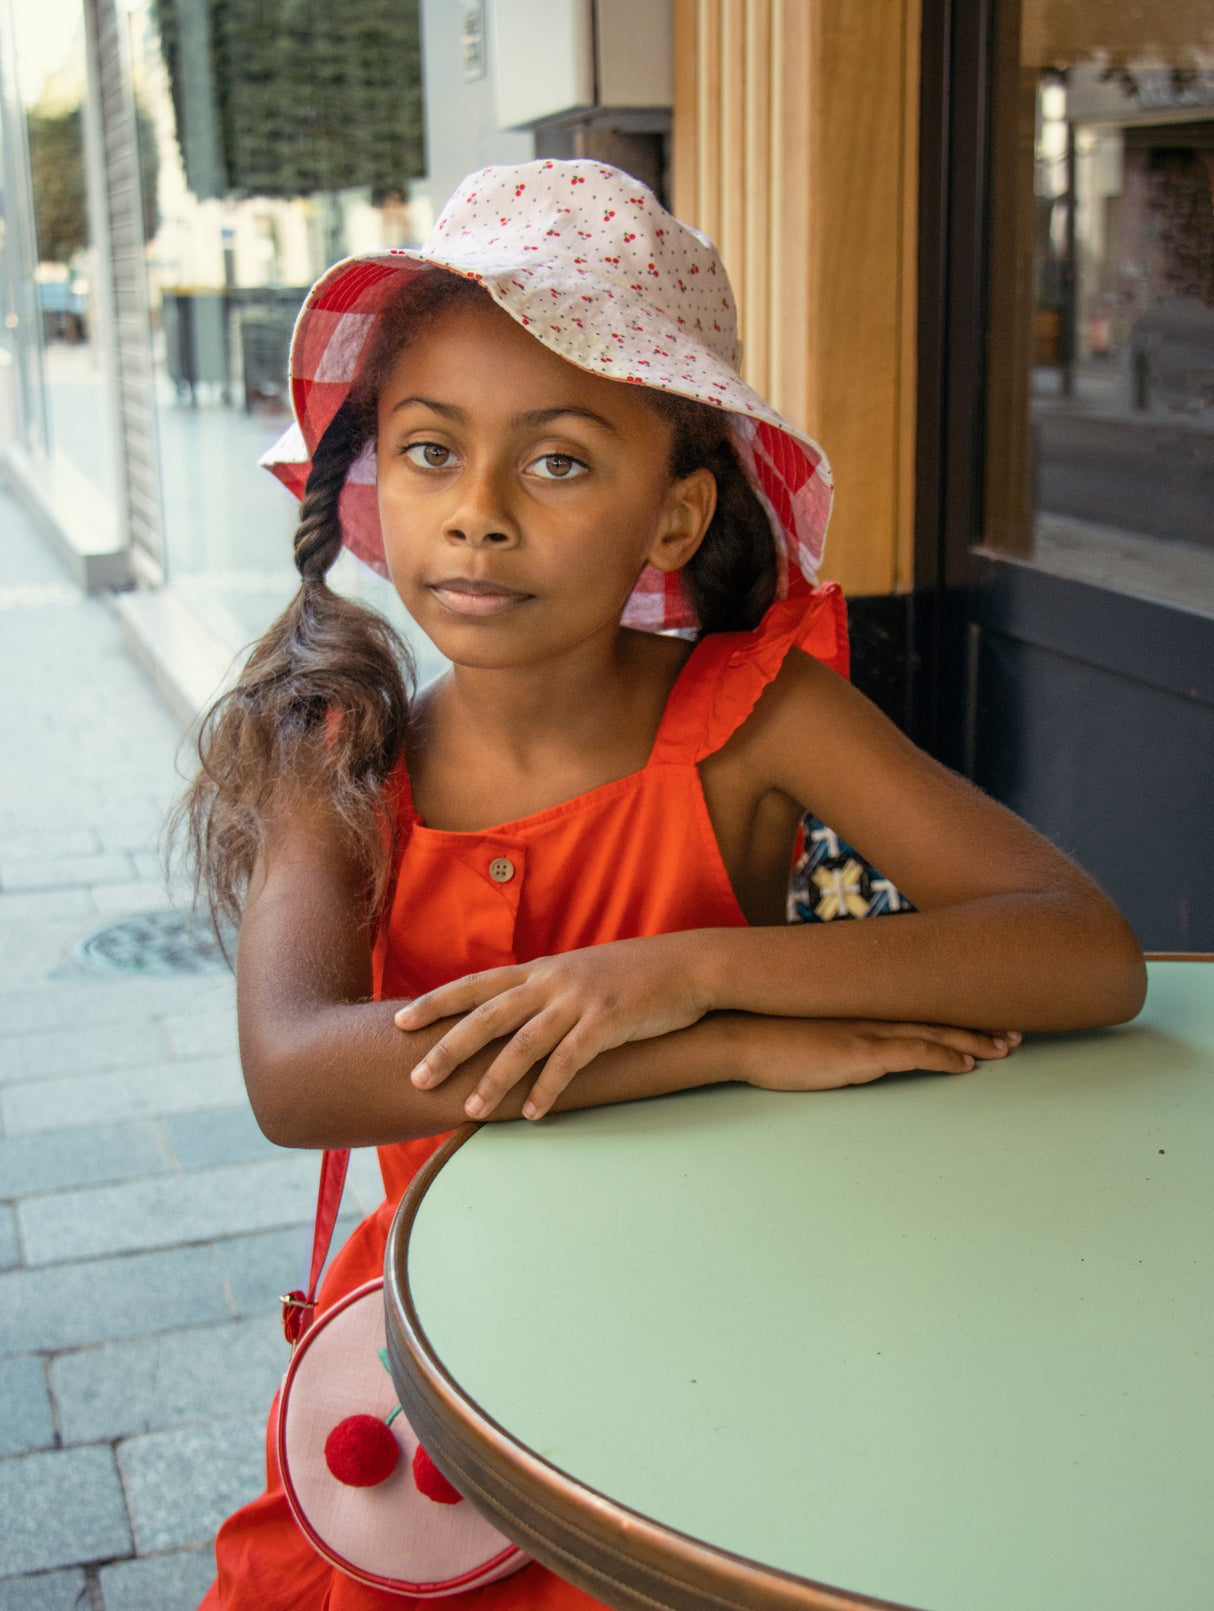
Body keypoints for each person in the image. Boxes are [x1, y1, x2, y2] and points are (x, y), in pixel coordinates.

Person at [183, 159, 1145, 1609]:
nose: (479, 513)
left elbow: (1082, 952)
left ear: (676, 518)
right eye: (431, 451)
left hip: (717, 1324)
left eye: (558, 461)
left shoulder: (758, 716)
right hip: (437, 1357)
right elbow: (299, 1076)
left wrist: (680, 966)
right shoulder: (335, 747)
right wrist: (723, 1045)